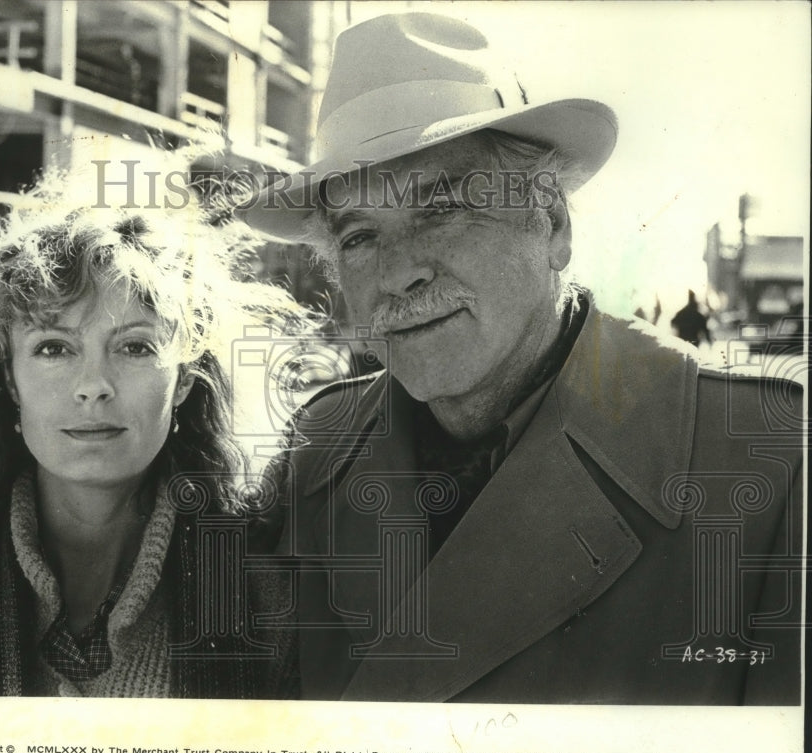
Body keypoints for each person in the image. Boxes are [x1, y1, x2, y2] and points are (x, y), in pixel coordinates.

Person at [239, 12, 803, 704]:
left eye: (441, 207)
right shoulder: (315, 453)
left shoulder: (767, 463)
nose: (397, 274)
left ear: (553, 224)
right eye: (359, 237)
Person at [0, 167, 310, 697]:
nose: (93, 387)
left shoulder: (273, 607)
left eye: (135, 347)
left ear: (183, 382)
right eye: (54, 348)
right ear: (8, 380)